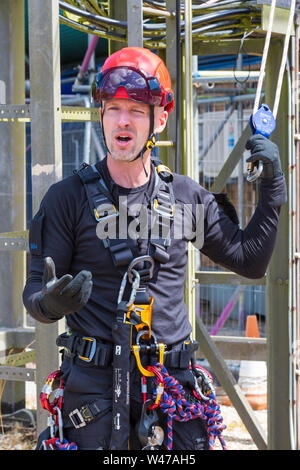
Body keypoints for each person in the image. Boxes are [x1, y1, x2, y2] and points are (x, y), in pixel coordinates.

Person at [23, 47, 287, 451]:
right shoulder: (67, 199)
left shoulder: (186, 197)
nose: (122, 120)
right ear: (101, 116)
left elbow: (249, 262)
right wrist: (52, 304)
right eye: (113, 109)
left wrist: (272, 190)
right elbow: (34, 295)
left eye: (136, 110)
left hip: (170, 388)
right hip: (94, 393)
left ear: (160, 119)